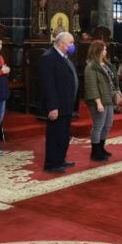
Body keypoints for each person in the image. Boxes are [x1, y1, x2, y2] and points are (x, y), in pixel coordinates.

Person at [40, 32, 79, 174]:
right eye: (71, 43)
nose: (72, 46)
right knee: (55, 135)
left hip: (67, 104)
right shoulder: (49, 57)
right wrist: (53, 107)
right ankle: (51, 163)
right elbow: (48, 85)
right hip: (57, 105)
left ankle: (60, 159)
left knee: (64, 134)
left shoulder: (64, 57)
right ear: (62, 43)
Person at [84, 40, 122, 161]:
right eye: (104, 49)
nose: (106, 51)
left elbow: (113, 82)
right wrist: (98, 102)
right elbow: (91, 86)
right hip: (99, 100)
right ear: (98, 51)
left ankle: (101, 148)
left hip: (109, 99)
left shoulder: (106, 64)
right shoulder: (91, 66)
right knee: (98, 126)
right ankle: (95, 151)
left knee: (107, 125)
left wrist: (119, 94)